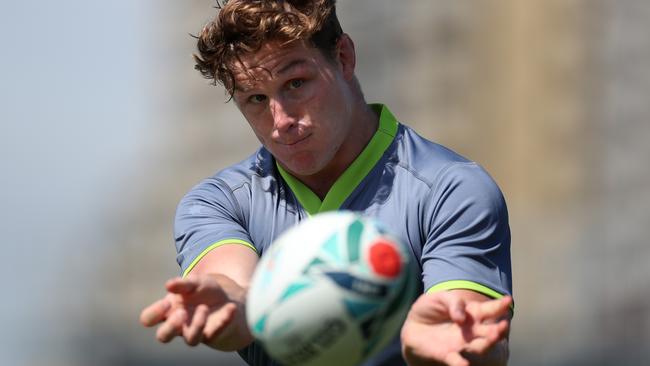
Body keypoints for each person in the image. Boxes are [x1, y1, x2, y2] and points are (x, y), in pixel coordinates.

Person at [140, 1, 513, 365]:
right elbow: (233, 289)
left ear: (345, 57)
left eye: (296, 83)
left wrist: (458, 346)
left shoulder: (452, 190)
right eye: (255, 98)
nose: (280, 119)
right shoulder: (216, 203)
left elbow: (469, 331)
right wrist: (239, 306)